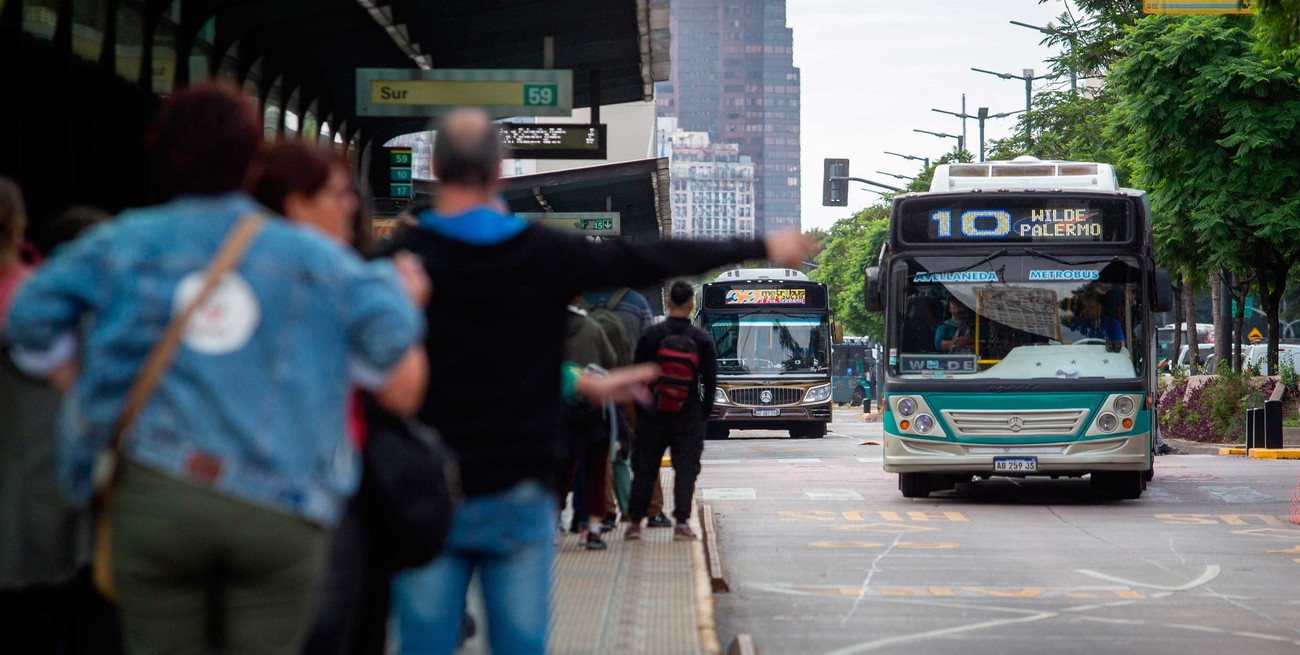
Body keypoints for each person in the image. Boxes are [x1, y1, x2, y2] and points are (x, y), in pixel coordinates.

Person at [5, 79, 428, 655]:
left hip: (155, 496)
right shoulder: (315, 259)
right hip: (281, 503)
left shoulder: (119, 243)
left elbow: (29, 318)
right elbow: (390, 339)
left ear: (159, 153)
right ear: (252, 161)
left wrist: (68, 373)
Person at [385, 107, 817, 655]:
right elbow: (646, 257)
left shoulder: (398, 262)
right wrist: (758, 245)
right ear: (498, 170)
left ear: (437, 167)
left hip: (425, 492)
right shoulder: (542, 253)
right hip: (519, 491)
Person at [249, 138, 431, 655]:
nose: (350, 205)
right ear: (297, 200)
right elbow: (401, 392)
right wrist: (409, 311)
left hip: (233, 488)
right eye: (337, 193)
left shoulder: (228, 271)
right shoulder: (352, 281)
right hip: (325, 493)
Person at [623, 280, 717, 541]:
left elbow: (637, 374)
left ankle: (634, 524)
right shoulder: (701, 339)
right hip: (688, 414)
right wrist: (702, 414)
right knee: (685, 468)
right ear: (691, 305)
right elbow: (710, 382)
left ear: (667, 302)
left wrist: (643, 410)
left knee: (645, 468)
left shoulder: (653, 335)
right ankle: (682, 524)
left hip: (653, 413)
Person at [581, 287, 671, 529]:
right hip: (632, 385)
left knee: (601, 450)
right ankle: (652, 511)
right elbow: (651, 342)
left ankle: (604, 513)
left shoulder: (584, 300)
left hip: (594, 387)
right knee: (646, 446)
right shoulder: (636, 302)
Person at [557, 295, 618, 550]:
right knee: (595, 472)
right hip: (593, 411)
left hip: (559, 413)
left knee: (559, 473)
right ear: (580, 299)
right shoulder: (593, 328)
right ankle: (591, 530)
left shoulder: (545, 326)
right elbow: (611, 362)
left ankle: (552, 528)